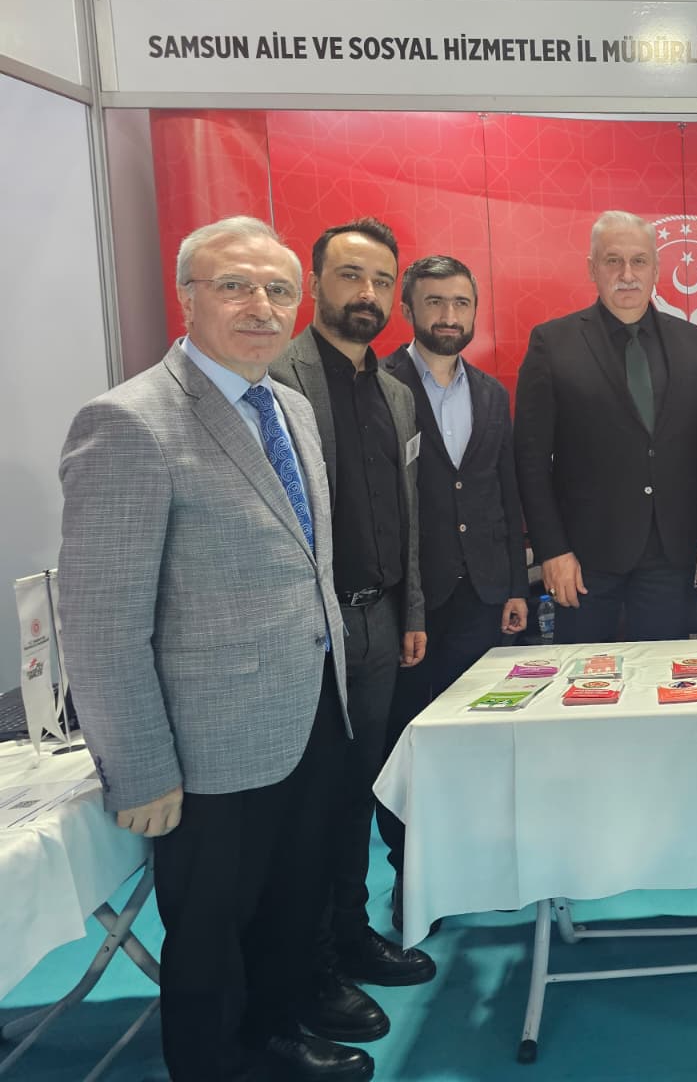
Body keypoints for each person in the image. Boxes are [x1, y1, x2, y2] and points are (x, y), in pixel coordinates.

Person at [58, 216, 372, 1081]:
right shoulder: (129, 423)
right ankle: (215, 1063)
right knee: (211, 928)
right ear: (187, 297)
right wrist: (139, 768)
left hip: (310, 707)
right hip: (207, 742)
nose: (260, 306)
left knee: (290, 898)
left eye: (277, 290)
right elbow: (101, 620)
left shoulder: (289, 407)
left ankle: (275, 1035)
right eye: (234, 285)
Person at [271, 217, 436, 1043]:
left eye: (380, 281)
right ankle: (310, 971)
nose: (366, 294)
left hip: (377, 623)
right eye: (350, 276)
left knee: (355, 794)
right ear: (315, 284)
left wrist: (411, 612)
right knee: (308, 807)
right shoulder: (278, 379)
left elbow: (402, 516)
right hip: (309, 632)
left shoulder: (395, 391)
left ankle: (350, 935)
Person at [379, 254, 527, 933]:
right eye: (435, 301)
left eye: (461, 303)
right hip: (411, 598)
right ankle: (411, 873)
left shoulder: (491, 392)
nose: (448, 315)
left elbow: (504, 491)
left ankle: (475, 863)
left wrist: (516, 582)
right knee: (410, 740)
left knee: (479, 735)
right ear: (409, 307)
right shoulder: (380, 385)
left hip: (484, 592)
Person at [514, 210, 697, 643]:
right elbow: (530, 459)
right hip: (583, 561)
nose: (627, 274)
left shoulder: (696, 344)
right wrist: (552, 550)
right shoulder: (552, 343)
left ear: (656, 268)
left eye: (639, 261)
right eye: (613, 260)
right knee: (583, 677)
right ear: (592, 268)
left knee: (665, 675)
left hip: (673, 554)